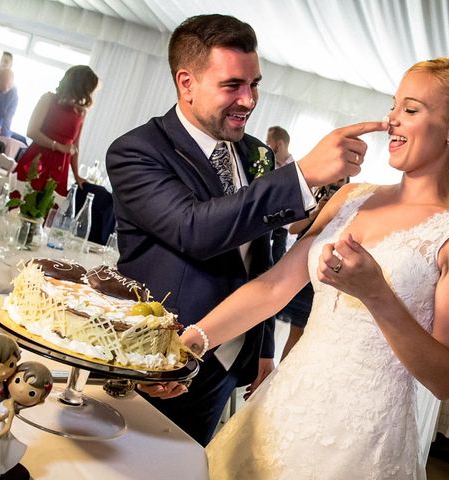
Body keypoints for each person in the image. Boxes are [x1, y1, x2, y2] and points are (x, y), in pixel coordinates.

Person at [177, 44, 449, 478]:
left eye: (410, 110)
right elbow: (273, 288)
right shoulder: (353, 197)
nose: (392, 119)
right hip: (283, 411)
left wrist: (377, 294)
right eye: (393, 106)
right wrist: (193, 341)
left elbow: (447, 379)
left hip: (360, 442)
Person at [106, 13, 383, 446]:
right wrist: (302, 176)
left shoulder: (256, 154)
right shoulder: (137, 152)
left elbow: (263, 259)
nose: (249, 100)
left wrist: (263, 350)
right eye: (232, 85)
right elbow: (194, 230)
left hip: (226, 362)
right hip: (156, 357)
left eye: (254, 84)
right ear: (186, 82)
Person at [278, 180, 344, 360]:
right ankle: (280, 374)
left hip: (323, 269)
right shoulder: (310, 198)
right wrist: (317, 213)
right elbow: (293, 229)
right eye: (336, 180)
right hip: (302, 265)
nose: (337, 183)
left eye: (342, 181)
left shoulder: (346, 205)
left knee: (312, 333)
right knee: (297, 331)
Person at [15, 65, 98, 195]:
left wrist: (76, 175)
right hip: (37, 158)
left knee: (49, 208)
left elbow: (75, 146)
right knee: (22, 197)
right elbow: (31, 131)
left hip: (60, 167)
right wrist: (58, 146)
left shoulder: (81, 112)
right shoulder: (48, 99)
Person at [266, 125, 295, 263]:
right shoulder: (268, 165)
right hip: (263, 222)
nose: (266, 145)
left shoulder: (295, 171)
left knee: (275, 264)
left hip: (281, 227)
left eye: (268, 142)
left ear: (278, 144)